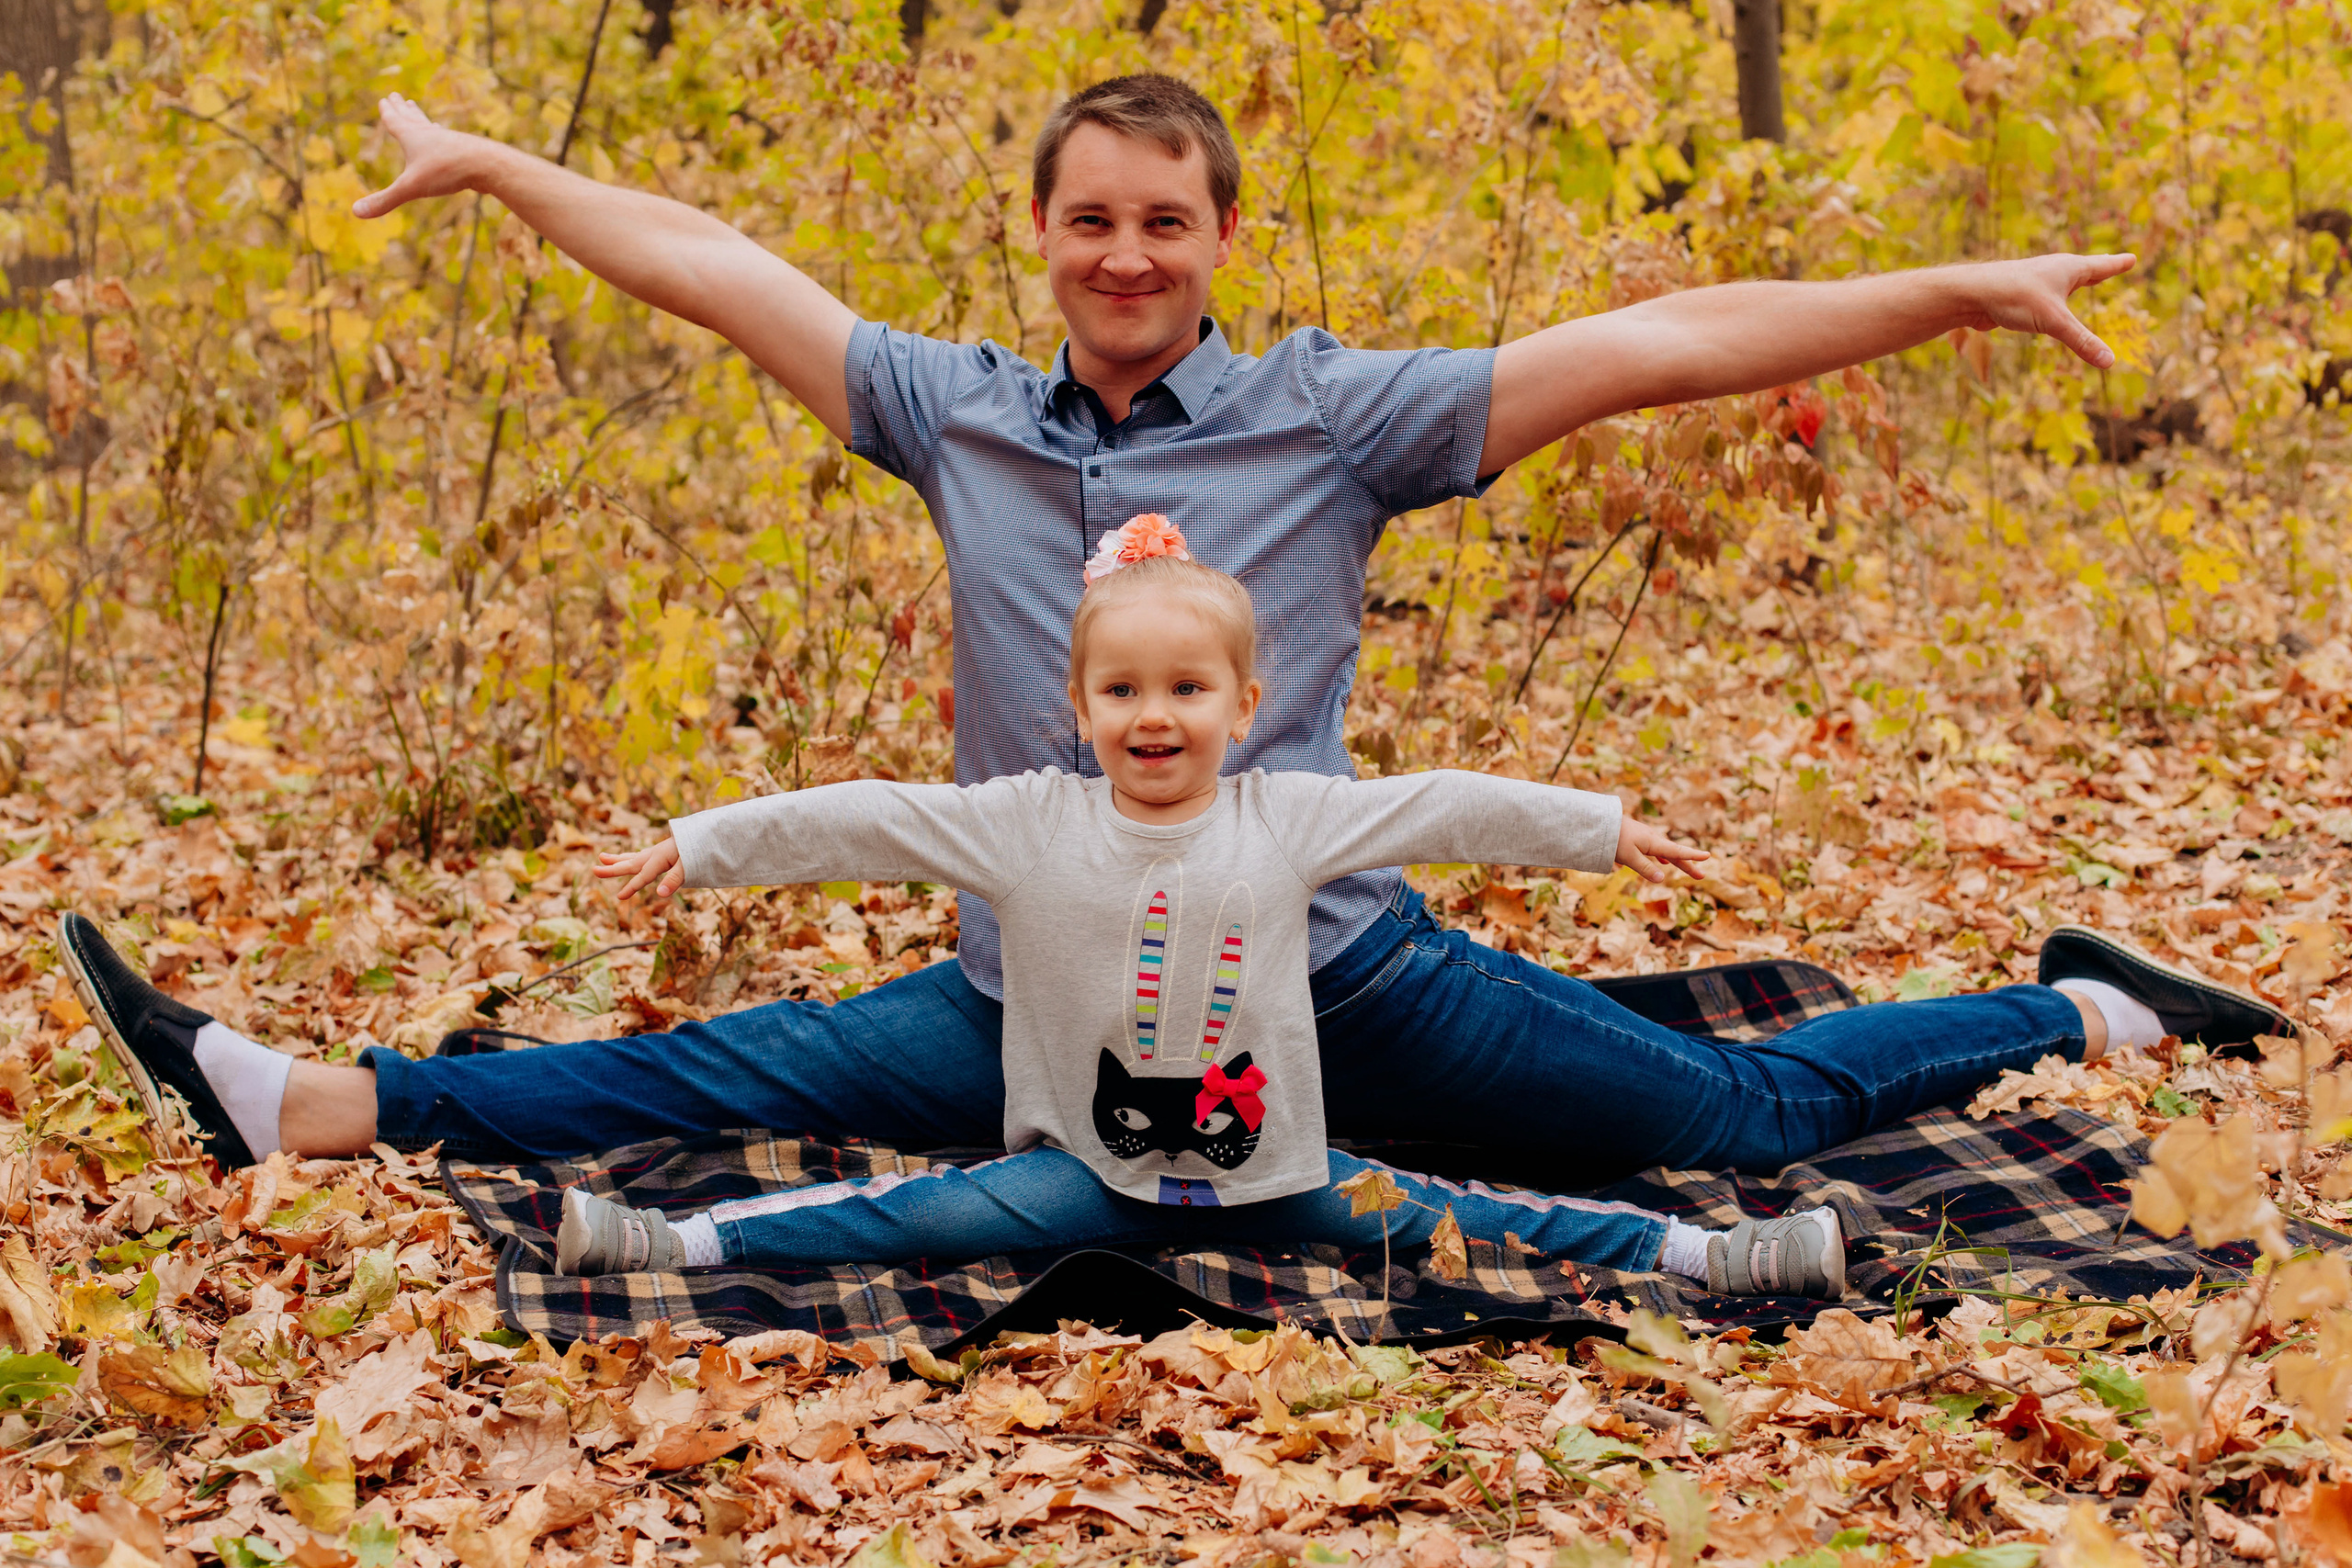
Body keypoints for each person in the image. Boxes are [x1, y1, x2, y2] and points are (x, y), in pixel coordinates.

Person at [59, 74, 2288, 1194]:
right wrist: (497, 165)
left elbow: (1669, 333)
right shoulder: (949, 413)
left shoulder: (1336, 416)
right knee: (715, 1076)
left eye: (1163, 221)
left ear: (1220, 233)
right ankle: (308, 1101)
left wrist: (1953, 293)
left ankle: (2066, 1002)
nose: (1123, 254)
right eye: (1087, 220)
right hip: (1022, 977)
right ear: (1037, 235)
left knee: (1727, 1117)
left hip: (1319, 978)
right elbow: (713, 263)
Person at [554, 517, 1844, 1299]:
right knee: (900, 1219)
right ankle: (667, 1243)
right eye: (1121, 693)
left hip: (1274, 1177)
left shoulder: (1285, 814)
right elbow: (861, 817)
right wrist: (700, 842)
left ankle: (1714, 1257)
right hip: (1078, 1179)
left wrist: (1602, 829)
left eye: (1184, 689)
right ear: (1081, 710)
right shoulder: (1028, 822)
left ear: (1240, 702)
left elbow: (1444, 804)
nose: (1153, 715)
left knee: (1466, 1218)